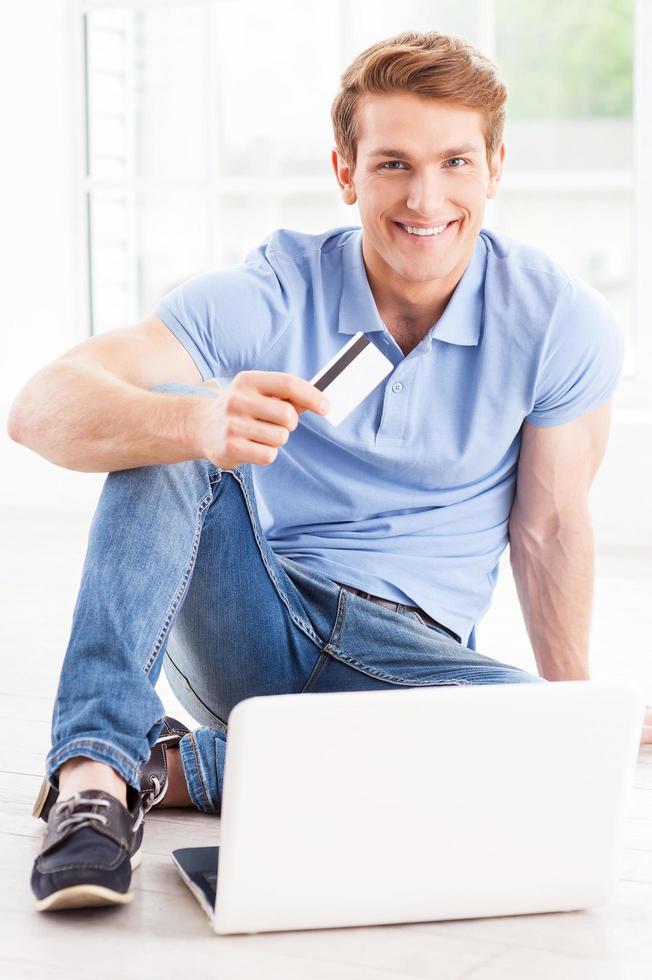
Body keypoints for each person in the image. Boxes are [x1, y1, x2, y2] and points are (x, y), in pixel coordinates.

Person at [8, 29, 643, 913]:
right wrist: (198, 417)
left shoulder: (558, 320)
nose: (426, 198)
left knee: (530, 752)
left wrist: (567, 720)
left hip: (406, 662)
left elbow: (548, 531)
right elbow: (39, 409)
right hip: (256, 615)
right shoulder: (274, 288)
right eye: (392, 165)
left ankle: (180, 767)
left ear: (495, 167)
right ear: (345, 172)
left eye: (455, 161)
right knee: (171, 421)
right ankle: (93, 781)